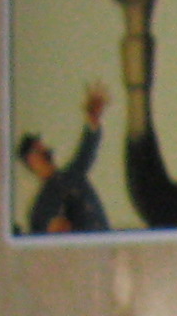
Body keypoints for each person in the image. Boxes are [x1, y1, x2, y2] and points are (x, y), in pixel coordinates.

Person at [19, 84, 112, 235]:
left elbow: (87, 152)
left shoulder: (71, 175)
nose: (45, 149)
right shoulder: (41, 207)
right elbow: (48, 232)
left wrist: (93, 117)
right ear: (31, 160)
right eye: (38, 149)